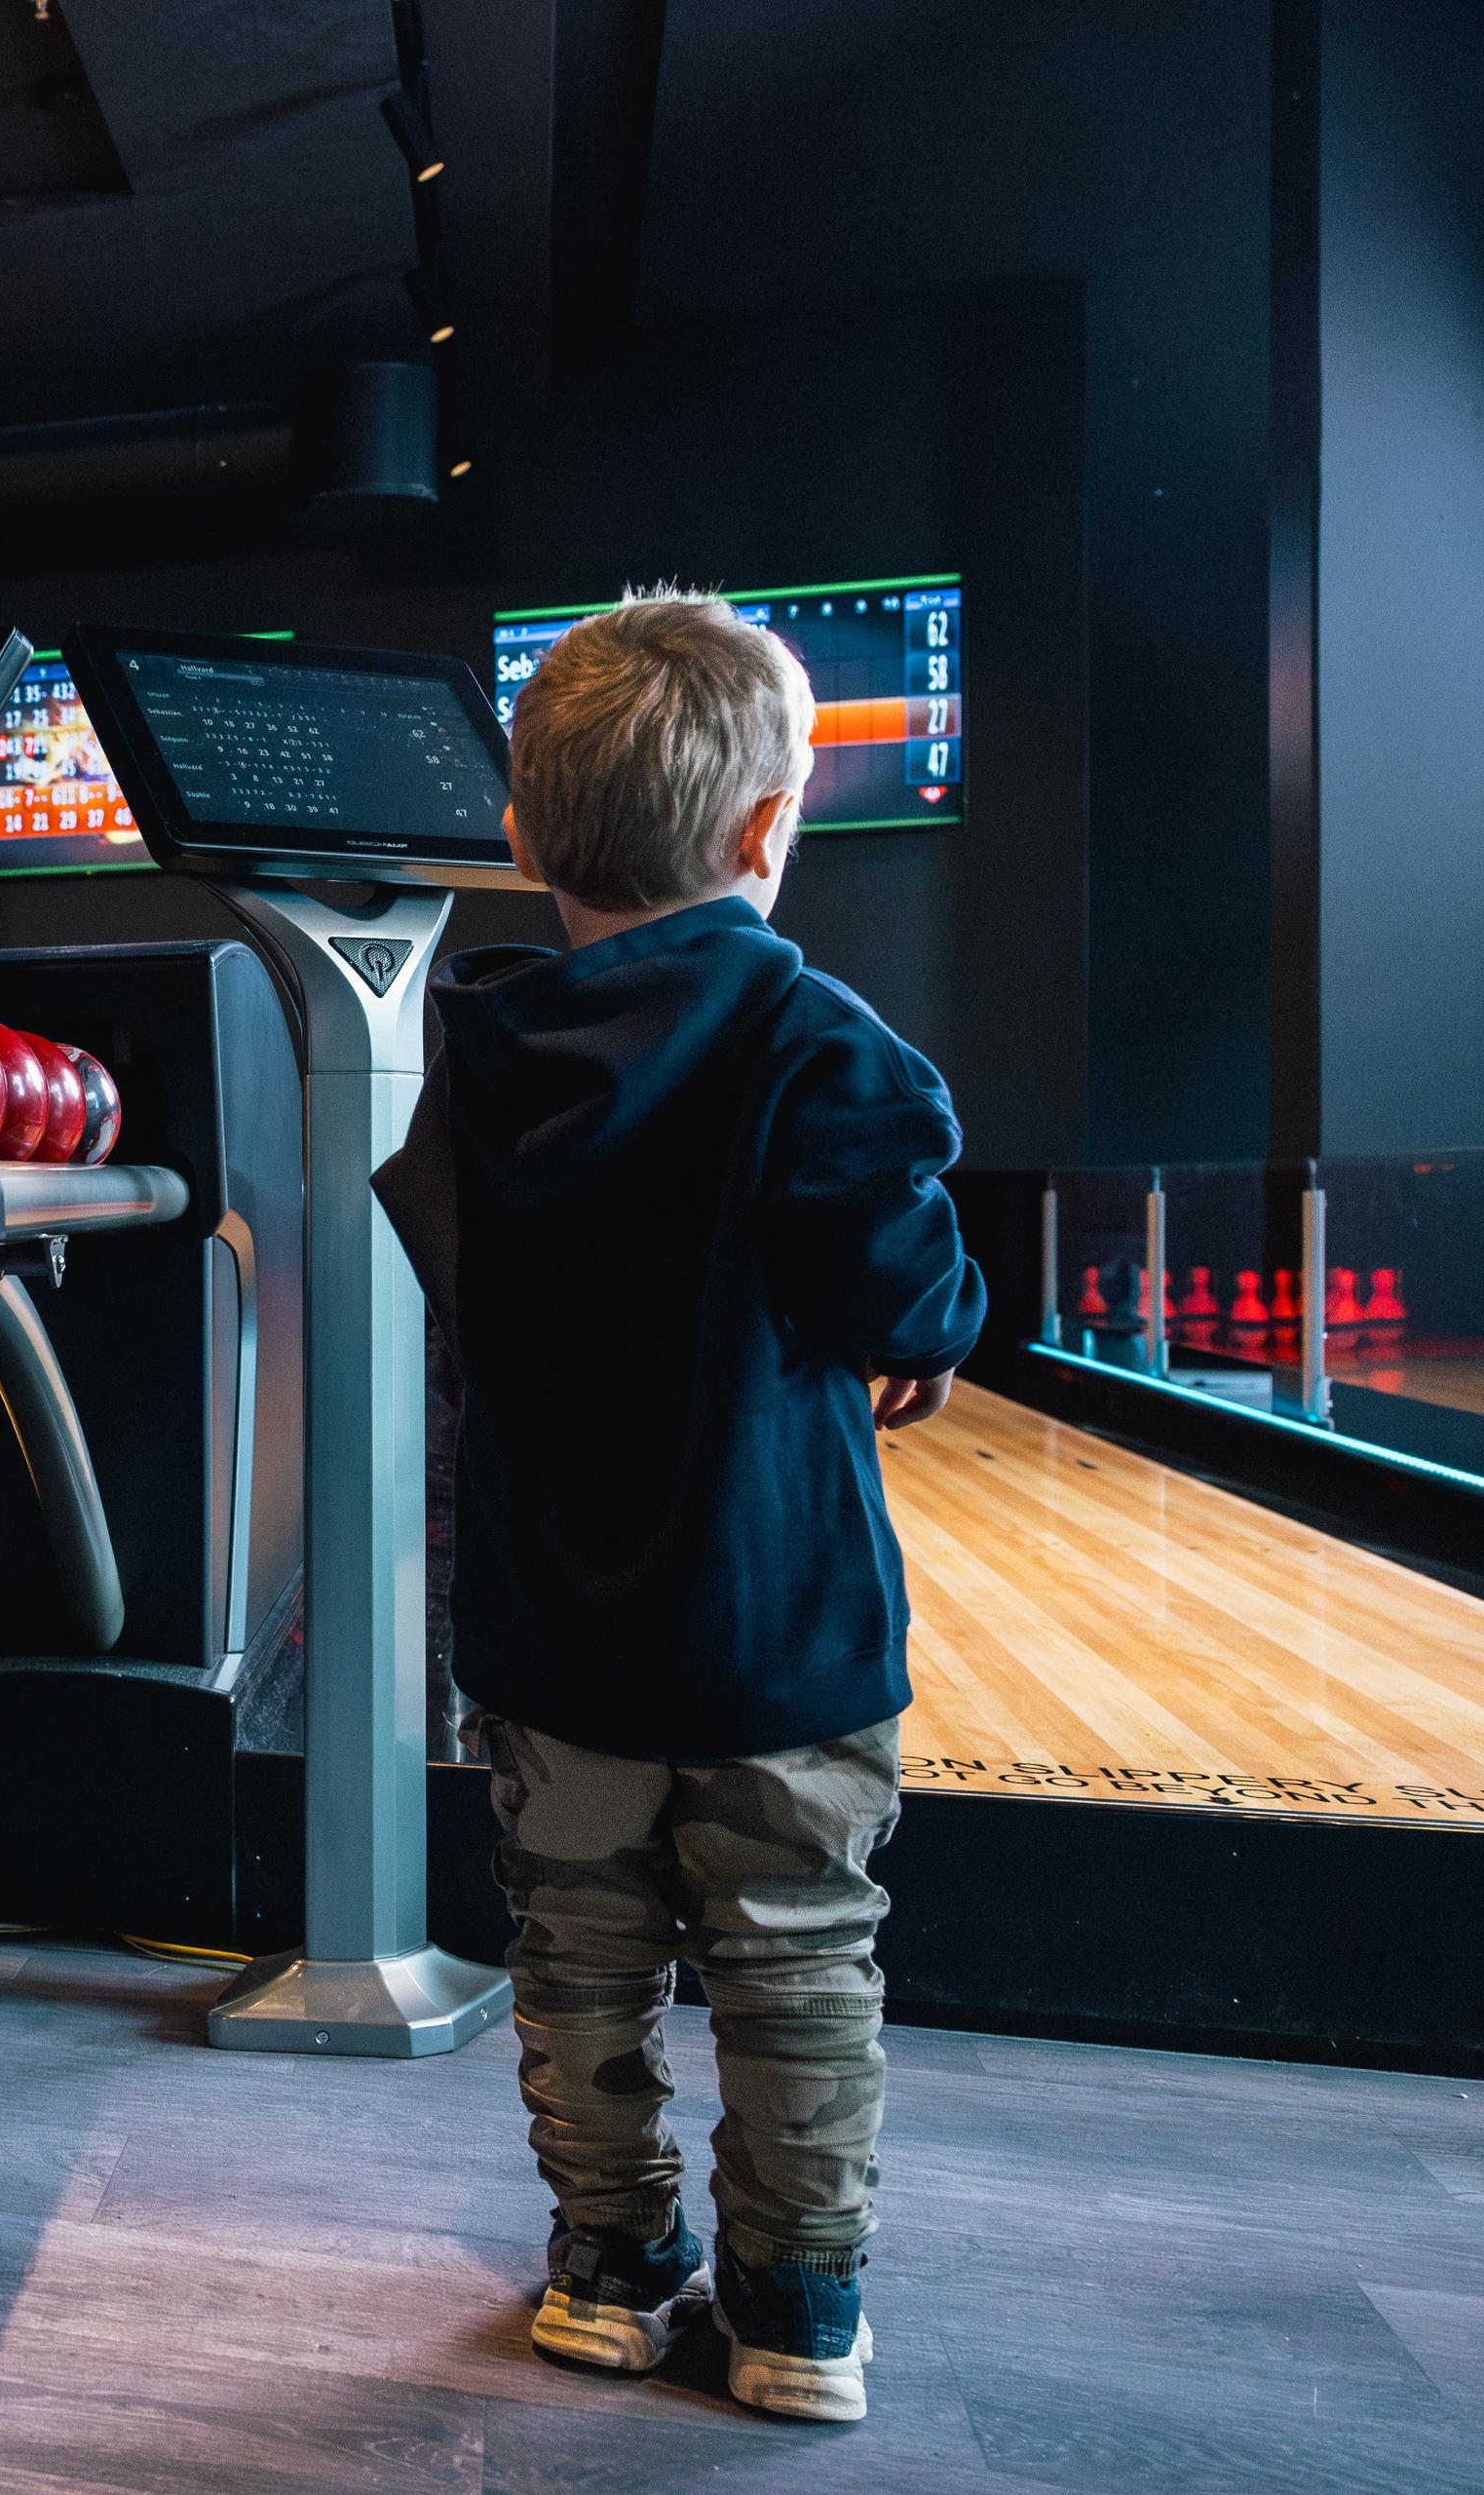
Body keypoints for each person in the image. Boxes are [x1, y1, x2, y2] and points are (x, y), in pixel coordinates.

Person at [374, 591, 983, 2424]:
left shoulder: (476, 1057)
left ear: (520, 835)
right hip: (782, 1632)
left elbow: (447, 1259)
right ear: (765, 831)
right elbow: (905, 1284)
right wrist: (926, 1336)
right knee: (798, 1968)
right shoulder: (816, 1036)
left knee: (579, 1964)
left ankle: (610, 2275)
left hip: (555, 1632)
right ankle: (797, 2313)